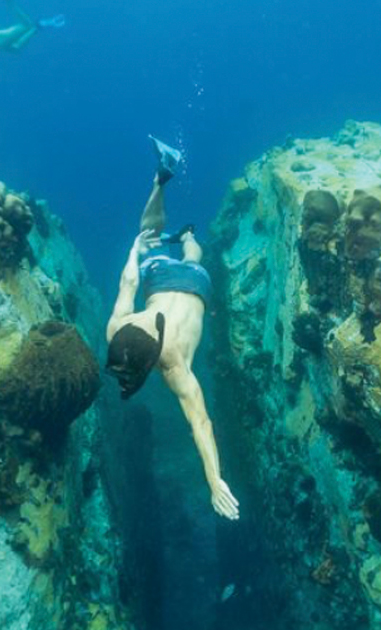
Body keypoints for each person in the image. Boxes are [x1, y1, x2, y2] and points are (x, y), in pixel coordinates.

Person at [105, 136, 240, 521]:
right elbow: (129, 283)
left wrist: (215, 480)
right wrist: (136, 250)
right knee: (155, 238)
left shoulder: (174, 365)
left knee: (192, 260)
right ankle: (168, 196)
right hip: (164, 278)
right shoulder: (118, 326)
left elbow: (201, 422)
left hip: (198, 286)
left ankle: (186, 235)